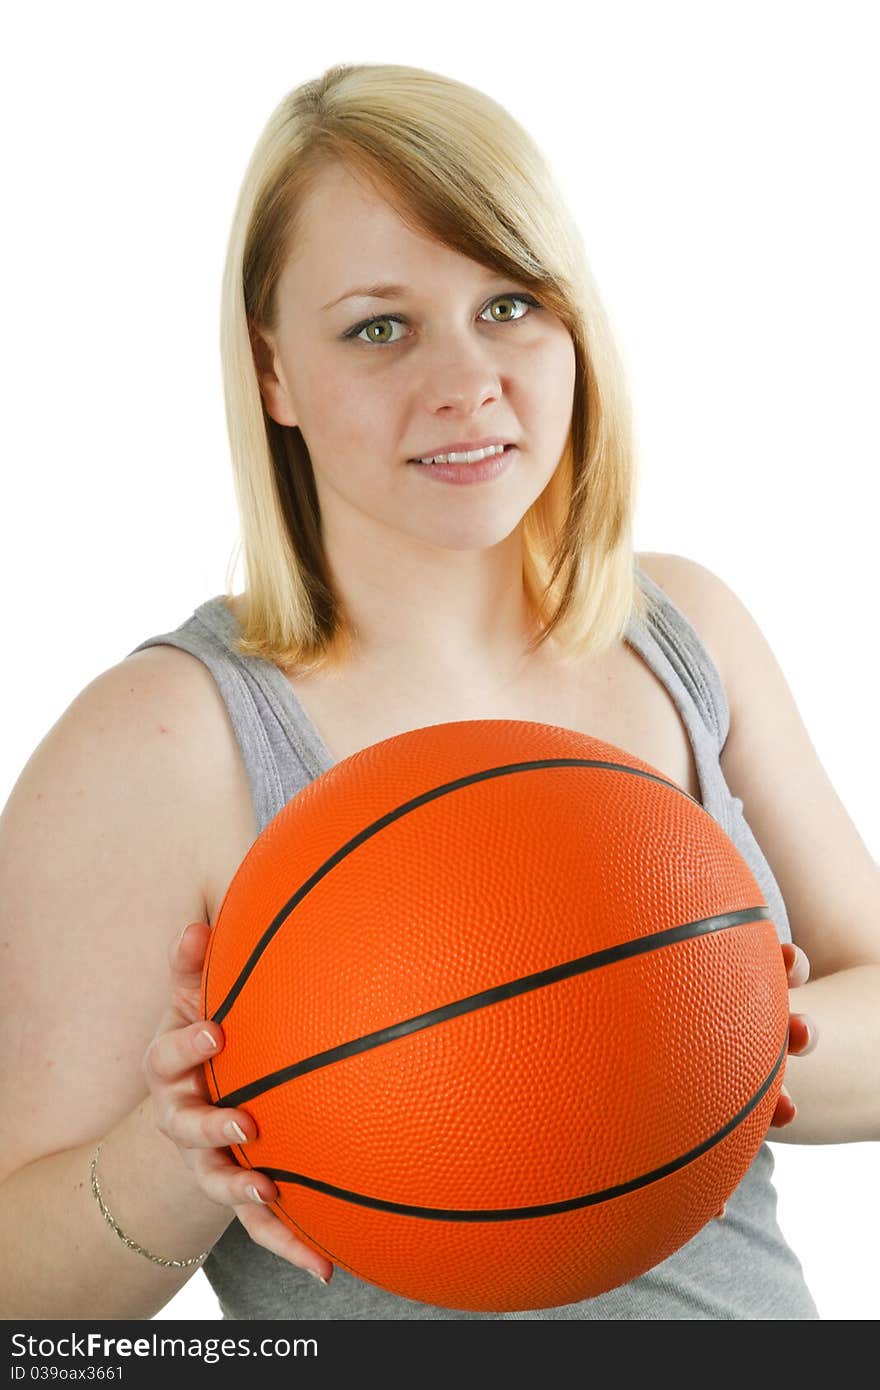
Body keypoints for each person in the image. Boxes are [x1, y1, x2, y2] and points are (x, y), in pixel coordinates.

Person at [1, 60, 877, 1323]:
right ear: (272, 373)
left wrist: (686, 1026)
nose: (468, 379)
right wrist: (175, 1155)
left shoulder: (683, 628)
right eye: (378, 325)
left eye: (510, 303)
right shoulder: (163, 739)